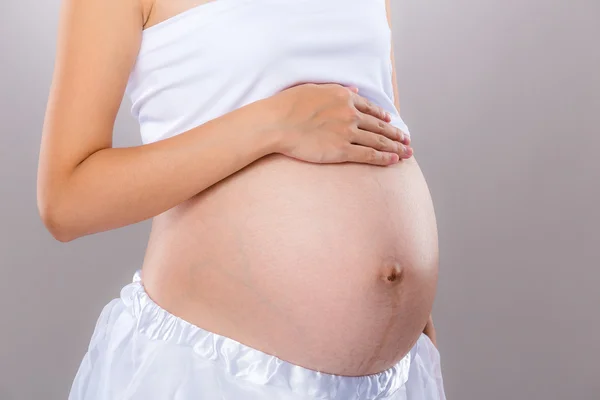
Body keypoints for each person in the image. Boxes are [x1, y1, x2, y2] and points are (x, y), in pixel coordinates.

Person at [38, 0, 446, 398]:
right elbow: (67, 200)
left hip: (394, 378)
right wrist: (274, 123)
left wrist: (401, 306)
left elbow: (381, 120)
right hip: (216, 371)